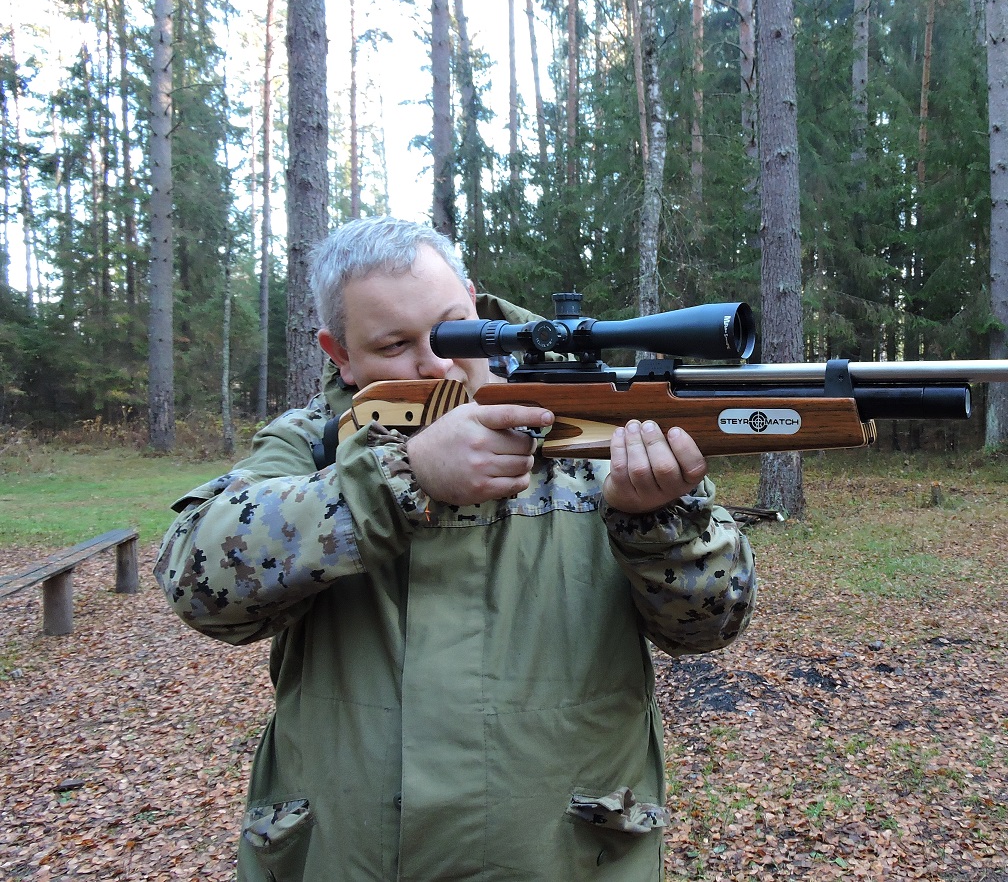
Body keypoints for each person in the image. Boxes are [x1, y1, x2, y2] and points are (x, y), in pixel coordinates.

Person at [154, 216, 756, 881]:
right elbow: (196, 580)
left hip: (565, 858)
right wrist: (396, 481)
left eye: (451, 330)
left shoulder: (600, 431)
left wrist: (659, 523)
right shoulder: (314, 443)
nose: (436, 363)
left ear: (474, 303)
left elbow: (710, 625)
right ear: (340, 353)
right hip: (345, 858)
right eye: (395, 344)